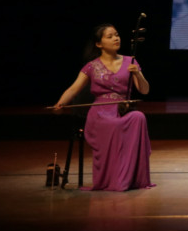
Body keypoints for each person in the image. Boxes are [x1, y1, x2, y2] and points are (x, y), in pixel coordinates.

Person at [52, 23, 153, 190]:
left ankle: (130, 177)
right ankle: (115, 179)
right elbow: (73, 89)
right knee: (114, 125)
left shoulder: (130, 61)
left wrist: (137, 73)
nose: (116, 38)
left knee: (139, 117)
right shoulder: (91, 66)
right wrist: (60, 104)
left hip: (122, 110)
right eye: (110, 36)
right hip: (101, 114)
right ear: (99, 44)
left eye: (117, 35)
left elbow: (145, 90)